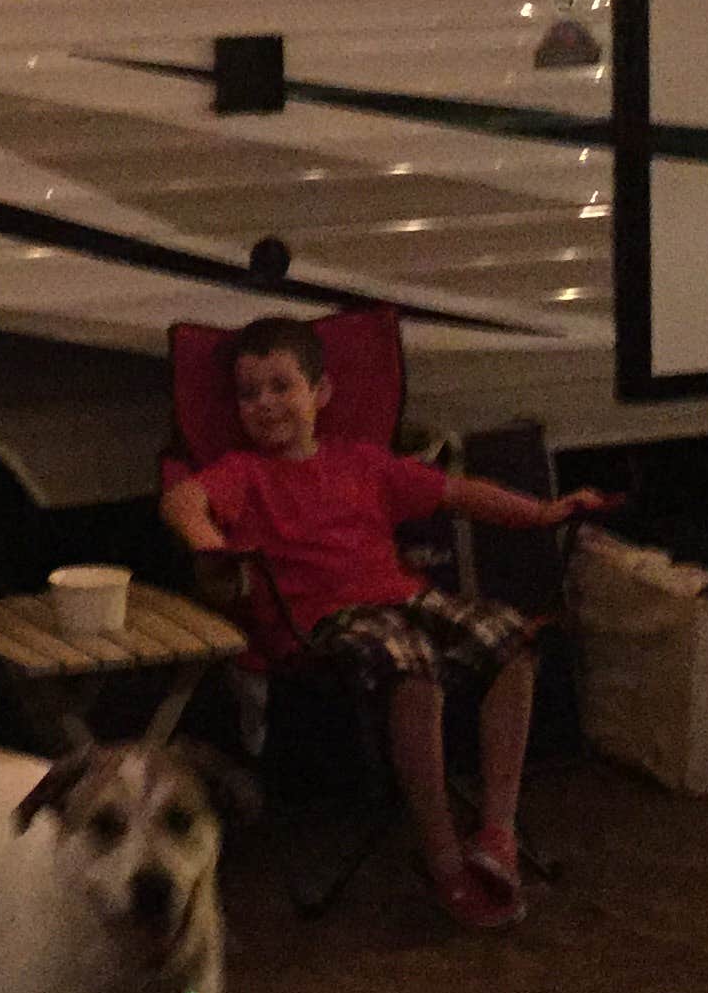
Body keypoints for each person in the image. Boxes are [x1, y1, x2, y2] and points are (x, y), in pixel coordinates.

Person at [157, 315, 615, 929]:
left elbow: (457, 492)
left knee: (511, 638)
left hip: (403, 597)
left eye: (280, 387)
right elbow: (182, 499)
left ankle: (497, 834)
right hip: (321, 619)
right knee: (413, 667)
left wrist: (541, 512)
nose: (265, 404)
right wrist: (209, 543)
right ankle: (445, 860)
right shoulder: (245, 473)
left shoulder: (363, 462)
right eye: (249, 394)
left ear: (320, 394)